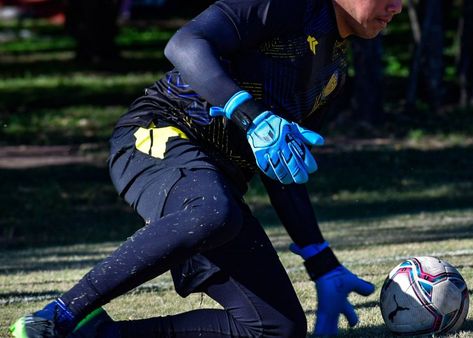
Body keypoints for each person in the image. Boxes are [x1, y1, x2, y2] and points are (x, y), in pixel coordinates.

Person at [10, 0, 402, 337]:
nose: (397, 7)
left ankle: (97, 332)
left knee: (276, 328)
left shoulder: (333, 72)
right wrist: (248, 113)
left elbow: (283, 165)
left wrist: (322, 262)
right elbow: (184, 43)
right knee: (214, 212)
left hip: (214, 196)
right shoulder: (289, 5)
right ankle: (56, 316)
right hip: (155, 135)